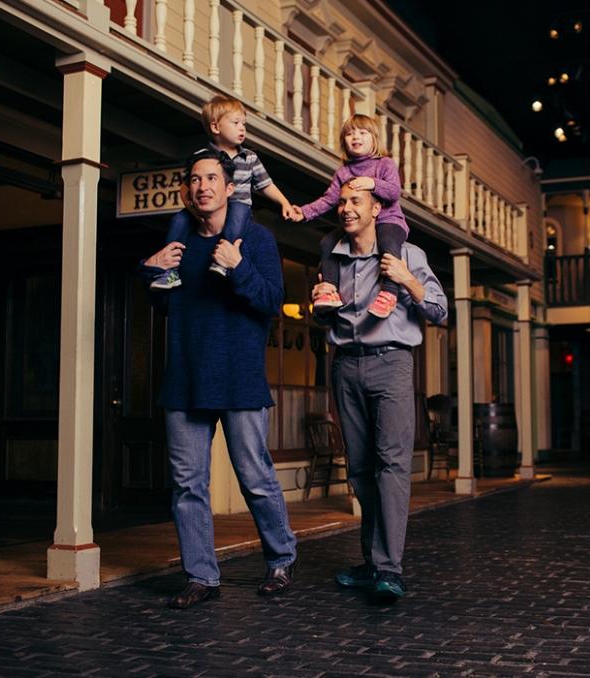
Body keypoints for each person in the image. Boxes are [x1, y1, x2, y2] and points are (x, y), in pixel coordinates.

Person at [140, 149, 297, 609]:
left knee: (255, 476)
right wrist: (151, 269)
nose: (203, 185)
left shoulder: (256, 238)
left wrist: (237, 266)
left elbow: (271, 301)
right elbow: (165, 304)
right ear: (188, 191)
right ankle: (201, 576)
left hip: (238, 377)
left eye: (212, 178)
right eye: (195, 179)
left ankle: (282, 559)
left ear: (230, 188)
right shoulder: (179, 243)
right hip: (185, 379)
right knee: (188, 484)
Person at [311, 184, 447, 602]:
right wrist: (318, 300)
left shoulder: (407, 253)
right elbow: (326, 320)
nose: (346, 208)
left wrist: (408, 281)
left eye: (356, 202)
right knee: (360, 469)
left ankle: (389, 568)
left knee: (392, 466)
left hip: (392, 362)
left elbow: (440, 311)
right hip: (345, 365)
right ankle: (372, 562)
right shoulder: (332, 256)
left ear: (377, 208)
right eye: (342, 202)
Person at [151, 94, 294, 288]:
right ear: (216, 127)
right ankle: (169, 270)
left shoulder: (249, 157)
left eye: (244, 124)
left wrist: (284, 203)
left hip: (239, 206)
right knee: (179, 220)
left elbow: (265, 184)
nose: (242, 128)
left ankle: (223, 261)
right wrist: (195, 213)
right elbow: (185, 189)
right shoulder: (201, 158)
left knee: (238, 211)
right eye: (236, 123)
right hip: (205, 211)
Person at [292, 114, 409, 319]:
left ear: (374, 139)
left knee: (388, 243)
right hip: (358, 223)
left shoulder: (385, 164)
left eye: (363, 133)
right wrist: (303, 212)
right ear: (344, 141)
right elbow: (329, 199)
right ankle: (329, 288)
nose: (356, 137)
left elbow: (393, 192)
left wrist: (371, 183)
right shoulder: (343, 172)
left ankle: (390, 292)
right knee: (328, 241)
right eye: (350, 133)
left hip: (388, 220)